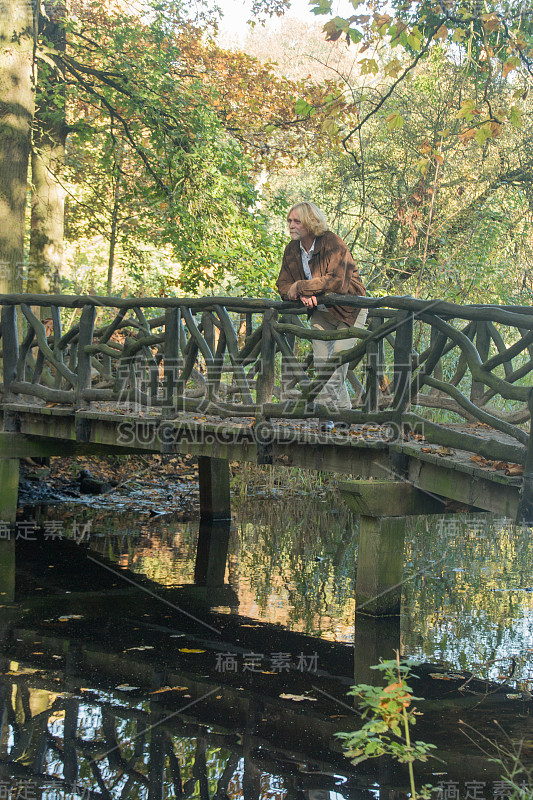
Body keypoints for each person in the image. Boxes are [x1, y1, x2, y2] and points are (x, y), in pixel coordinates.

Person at [276, 201, 367, 432]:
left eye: (296, 221)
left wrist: (303, 287)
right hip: (321, 314)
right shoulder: (292, 250)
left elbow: (337, 281)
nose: (291, 225)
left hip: (349, 311)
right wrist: (298, 291)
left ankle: (323, 414)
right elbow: (283, 285)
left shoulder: (331, 242)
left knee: (337, 361)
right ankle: (344, 416)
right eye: (289, 221)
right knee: (322, 364)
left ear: (310, 222)